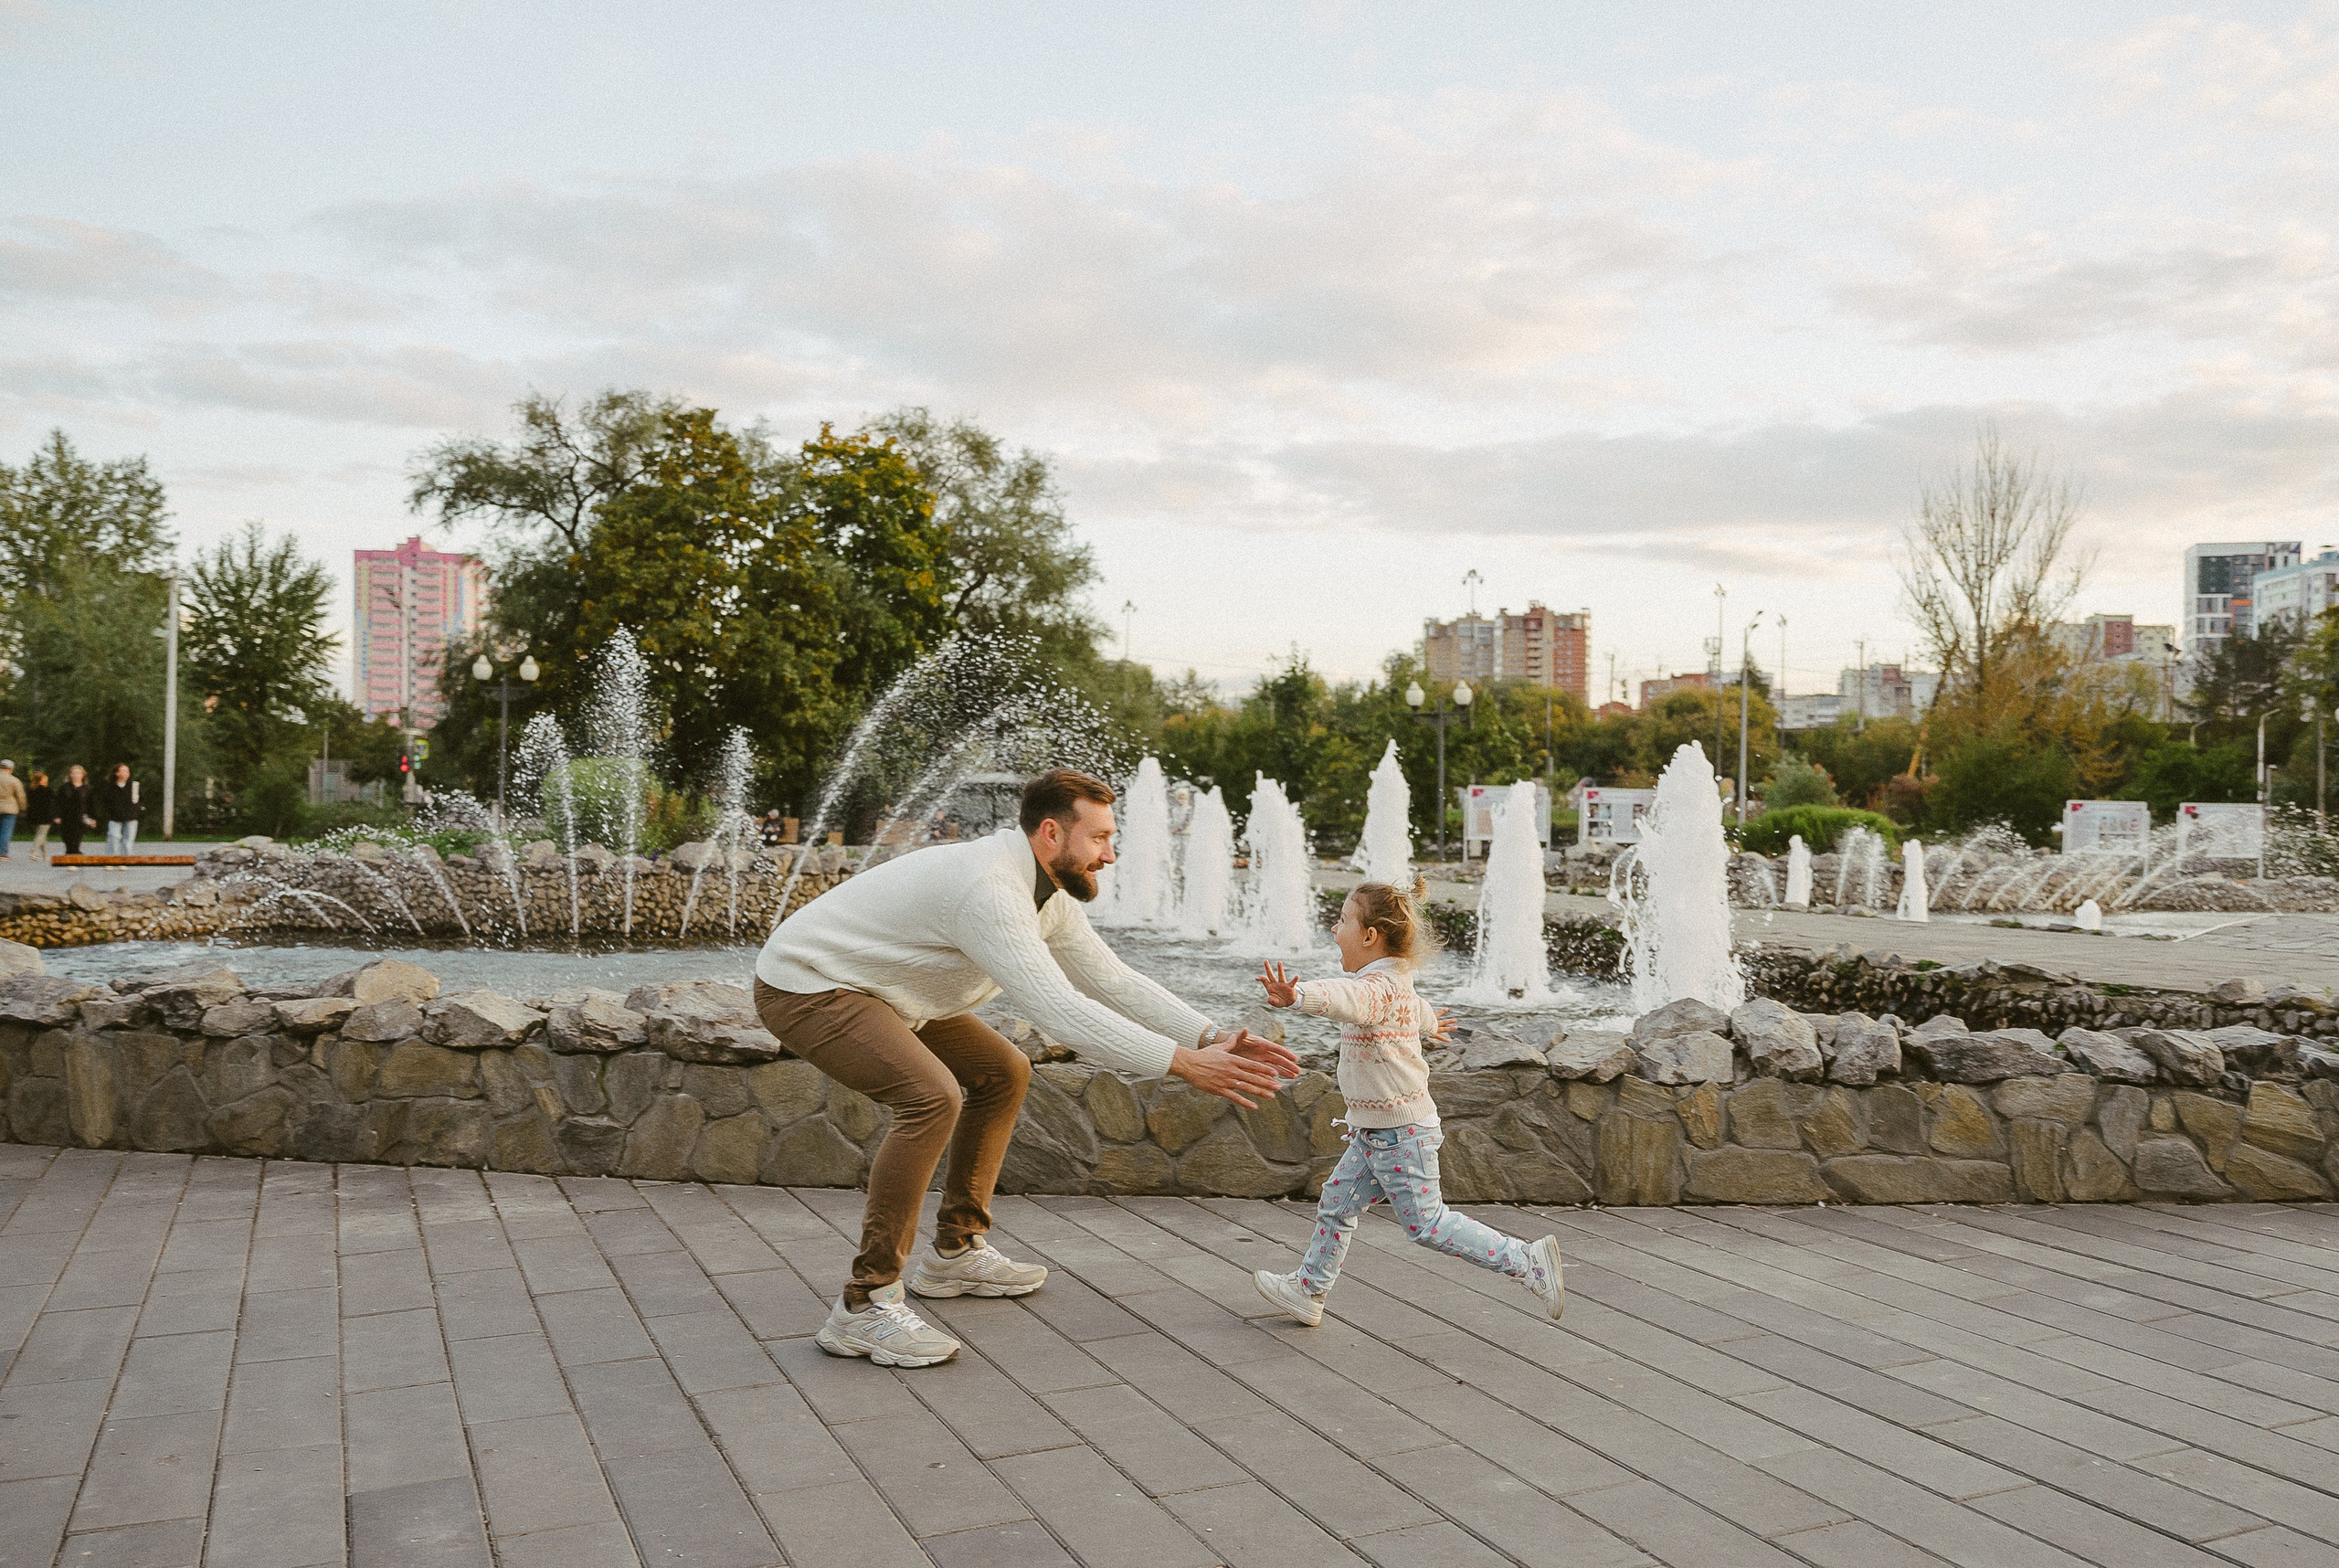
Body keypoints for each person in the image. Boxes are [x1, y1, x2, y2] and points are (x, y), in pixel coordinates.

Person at [754, 767, 1300, 1369]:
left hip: (884, 988)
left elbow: (1111, 978)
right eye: (1098, 839)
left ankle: (955, 1252)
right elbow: (1058, 1009)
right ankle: (865, 1305)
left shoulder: (1043, 889)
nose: (1111, 855)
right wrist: (1181, 1063)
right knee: (931, 1098)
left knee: (1002, 1071)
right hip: (810, 987)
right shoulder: (990, 888)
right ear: (1049, 834)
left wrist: (1209, 1035)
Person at [1249, 882, 1567, 1327]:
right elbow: (1413, 1008)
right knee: (1338, 1204)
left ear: (1369, 936)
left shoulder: (1375, 987)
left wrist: (1297, 996)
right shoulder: (1395, 982)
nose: (1334, 928)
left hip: (1400, 1134)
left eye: (1343, 920)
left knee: (1427, 1224)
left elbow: (1350, 999)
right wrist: (1431, 1023)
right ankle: (1309, 1289)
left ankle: (1526, 1261)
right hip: (1379, 1130)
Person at [98, 763, 141, 854]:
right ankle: (111, 859)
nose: (126, 773)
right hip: (115, 817)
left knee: (128, 840)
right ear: (117, 773)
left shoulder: (134, 785)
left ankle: (126, 859)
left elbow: (141, 799)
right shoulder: (110, 786)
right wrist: (110, 811)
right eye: (123, 771)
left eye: (127, 771)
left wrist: (136, 809)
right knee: (114, 836)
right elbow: (104, 801)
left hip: (131, 816)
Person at [55, 766, 94, 858]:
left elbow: (90, 804)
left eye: (78, 773)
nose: (75, 775)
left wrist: (93, 818)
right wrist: (57, 816)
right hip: (66, 817)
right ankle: (72, 855)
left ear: (82, 775)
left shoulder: (87, 788)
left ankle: (74, 857)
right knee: (67, 839)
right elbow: (58, 803)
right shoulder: (64, 787)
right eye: (73, 773)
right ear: (70, 775)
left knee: (76, 839)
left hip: (80, 817)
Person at [25, 772, 51, 861]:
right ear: (40, 780)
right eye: (45, 779)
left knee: (41, 835)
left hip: (33, 815)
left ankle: (45, 854)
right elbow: (52, 803)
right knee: (41, 835)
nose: (46, 781)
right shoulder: (47, 790)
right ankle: (33, 851)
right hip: (45, 815)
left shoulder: (30, 790)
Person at [0, 760, 23, 859]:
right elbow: (20, 795)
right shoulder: (14, 780)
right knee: (6, 831)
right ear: (11, 769)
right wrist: (23, 807)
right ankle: (2, 853)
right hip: (10, 809)